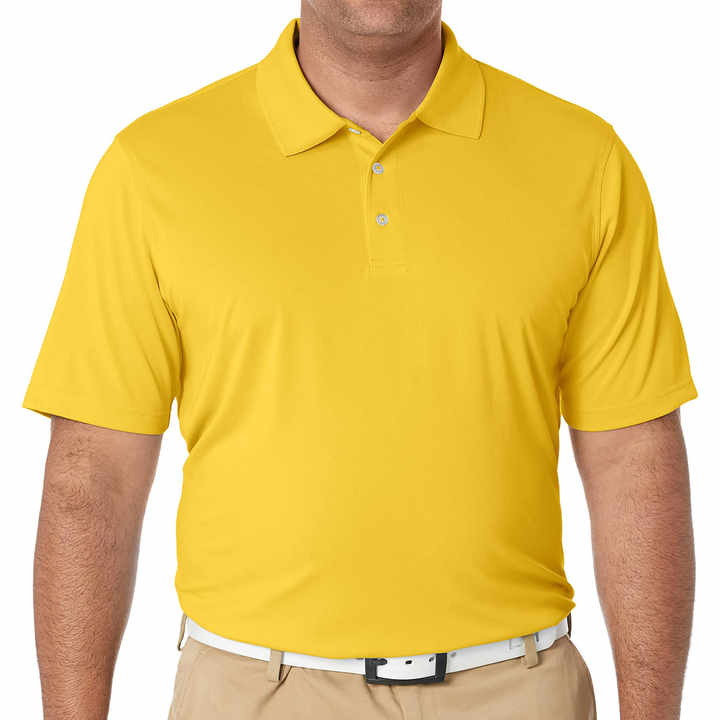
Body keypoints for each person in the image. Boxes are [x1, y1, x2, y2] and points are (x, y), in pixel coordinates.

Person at [24, 1, 698, 719]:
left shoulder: (584, 161)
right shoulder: (153, 165)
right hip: (251, 693)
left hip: (518, 690)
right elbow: (94, 476)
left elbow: (634, 459)